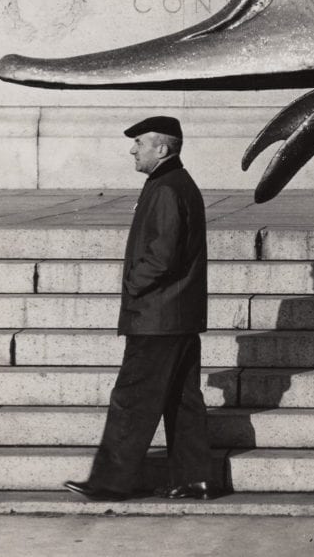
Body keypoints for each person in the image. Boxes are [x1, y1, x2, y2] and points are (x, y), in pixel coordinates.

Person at [64, 115, 216, 501]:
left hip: (157, 318)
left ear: (161, 149)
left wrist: (133, 285)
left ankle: (111, 482)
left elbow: (161, 256)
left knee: (131, 400)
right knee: (182, 401)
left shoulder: (166, 188)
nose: (133, 150)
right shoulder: (178, 184)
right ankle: (195, 478)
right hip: (177, 316)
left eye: (140, 144)